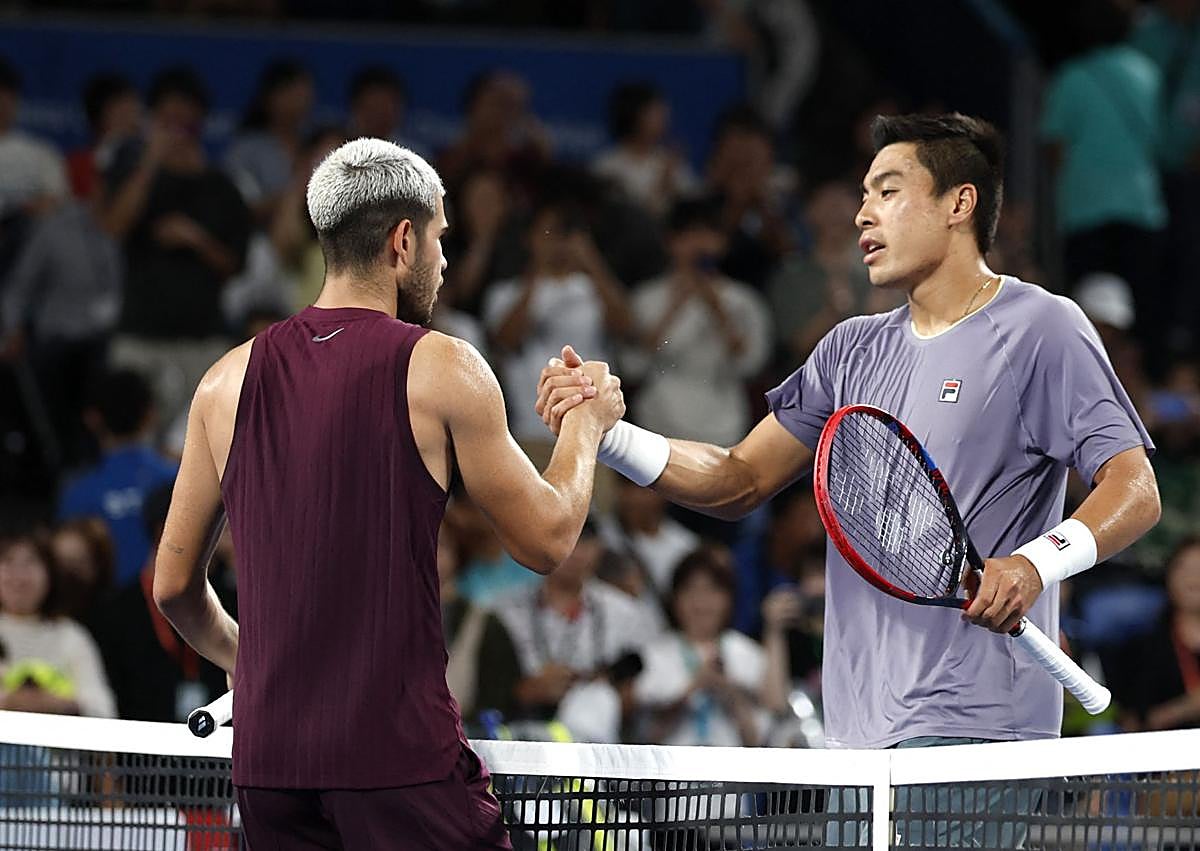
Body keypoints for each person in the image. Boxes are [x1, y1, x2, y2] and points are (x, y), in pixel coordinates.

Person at [538, 112, 1161, 752]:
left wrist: (1035, 564)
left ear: (959, 204)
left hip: (975, 734)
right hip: (853, 739)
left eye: (888, 192)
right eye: (864, 196)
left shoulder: (1041, 327)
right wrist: (606, 433)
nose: (862, 215)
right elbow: (737, 478)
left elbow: (1135, 489)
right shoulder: (849, 350)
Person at [152, 138, 623, 849]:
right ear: (404, 241)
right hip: (399, 763)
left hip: (269, 770)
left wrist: (252, 664)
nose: (444, 260)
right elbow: (547, 539)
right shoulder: (443, 366)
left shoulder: (224, 380)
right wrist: (586, 424)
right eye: (440, 238)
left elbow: (172, 587)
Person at [58, 369, 178, 588]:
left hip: (102, 604)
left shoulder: (76, 494)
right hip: (172, 604)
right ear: (150, 415)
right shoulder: (180, 481)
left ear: (92, 419)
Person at [0, 531, 116, 718]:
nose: (19, 577)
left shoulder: (71, 635)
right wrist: (10, 702)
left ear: (50, 572)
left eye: (30, 562)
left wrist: (56, 704)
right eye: (8, 561)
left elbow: (103, 710)